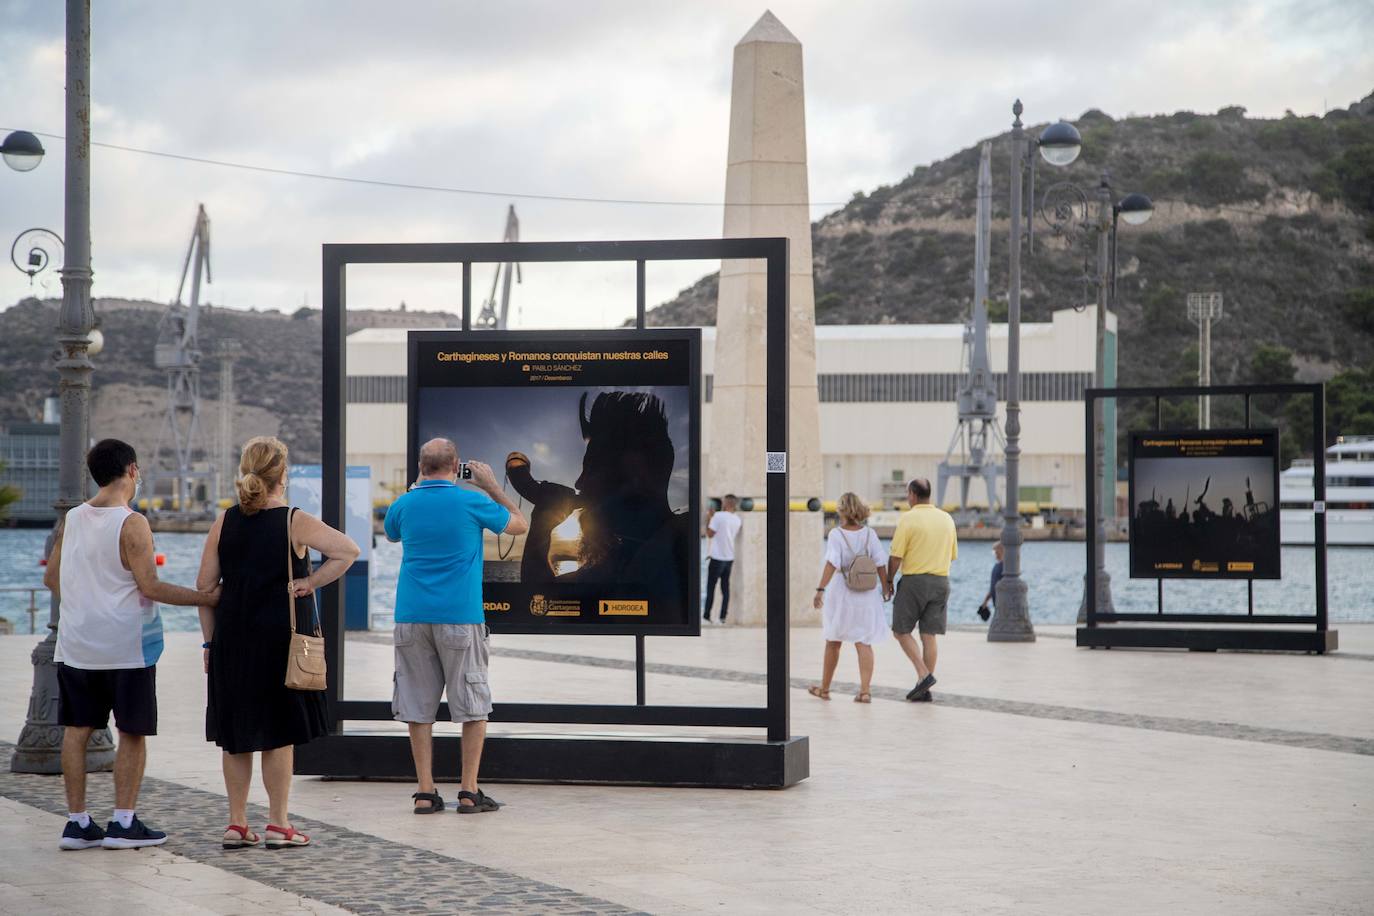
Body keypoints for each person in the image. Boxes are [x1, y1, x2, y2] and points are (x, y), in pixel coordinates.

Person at [45, 438, 220, 851]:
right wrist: (208, 598)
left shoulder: (71, 518)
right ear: (132, 470)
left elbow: (51, 580)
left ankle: (77, 823)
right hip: (127, 645)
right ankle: (123, 822)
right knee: (132, 731)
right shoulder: (132, 522)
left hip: (77, 644)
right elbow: (150, 586)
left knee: (77, 730)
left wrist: (87, 600)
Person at [196, 436, 359, 850]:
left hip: (231, 640)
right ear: (281, 476)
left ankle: (236, 823)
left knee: (235, 735)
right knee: (278, 734)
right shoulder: (293, 520)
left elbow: (204, 587)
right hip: (279, 642)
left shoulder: (225, 521)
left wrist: (209, 645)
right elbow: (347, 550)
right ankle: (278, 823)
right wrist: (310, 582)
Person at [385, 438, 528, 814]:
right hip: (460, 617)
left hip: (411, 616)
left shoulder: (404, 503)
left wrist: (416, 488)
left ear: (420, 466)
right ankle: (468, 790)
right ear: (457, 465)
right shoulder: (472, 501)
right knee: (472, 706)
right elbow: (519, 525)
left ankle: (425, 792)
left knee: (416, 706)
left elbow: (391, 532)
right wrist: (492, 486)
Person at [806, 493, 891, 703]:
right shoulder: (870, 534)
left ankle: (824, 689)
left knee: (833, 640)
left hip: (842, 591)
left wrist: (820, 589)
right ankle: (864, 691)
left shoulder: (836, 534)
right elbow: (880, 561)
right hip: (866, 593)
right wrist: (886, 586)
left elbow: (832, 563)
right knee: (863, 641)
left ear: (842, 510)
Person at [886, 478, 957, 703]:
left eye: (908, 494)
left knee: (900, 631)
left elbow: (896, 556)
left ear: (913, 495)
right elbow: (952, 554)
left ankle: (924, 675)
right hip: (941, 581)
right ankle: (923, 688)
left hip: (915, 581)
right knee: (929, 635)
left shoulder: (908, 519)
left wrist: (888, 580)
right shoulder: (947, 519)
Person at [703, 494, 742, 624]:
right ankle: (722, 618)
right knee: (725, 589)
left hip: (717, 558)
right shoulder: (737, 520)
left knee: (710, 588)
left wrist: (709, 517)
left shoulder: (718, 516)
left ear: (726, 503)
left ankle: (707, 616)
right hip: (729, 558)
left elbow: (709, 534)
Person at [977, 541, 1004, 622]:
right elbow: (993, 587)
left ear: (1001, 550)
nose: (994, 553)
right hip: (997, 603)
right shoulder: (997, 566)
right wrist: (985, 601)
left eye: (995, 551)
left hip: (1003, 603)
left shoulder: (1004, 566)